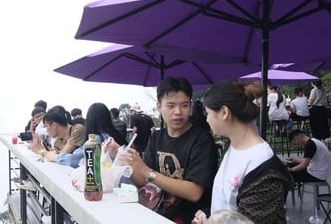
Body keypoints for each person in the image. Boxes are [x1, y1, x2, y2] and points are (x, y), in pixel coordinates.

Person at [120, 77, 218, 223]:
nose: (178, 112)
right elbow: (143, 182)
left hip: (191, 217)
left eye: (184, 105)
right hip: (157, 212)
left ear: (190, 107)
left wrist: (148, 172)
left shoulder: (201, 139)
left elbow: (194, 193)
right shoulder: (156, 137)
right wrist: (132, 165)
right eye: (171, 106)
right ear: (159, 107)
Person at [193, 81, 293, 224]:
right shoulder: (232, 146)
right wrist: (208, 213)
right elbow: (230, 202)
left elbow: (249, 220)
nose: (207, 119)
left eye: (208, 113)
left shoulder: (264, 168)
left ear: (224, 112)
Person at [54, 103, 127, 167]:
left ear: (89, 120)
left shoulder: (96, 139)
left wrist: (56, 157)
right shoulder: (113, 136)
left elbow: (74, 160)